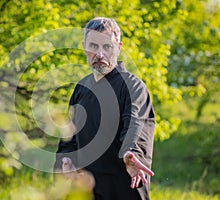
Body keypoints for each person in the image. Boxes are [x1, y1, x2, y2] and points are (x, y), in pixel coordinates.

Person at [54, 17, 155, 200]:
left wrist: (130, 153)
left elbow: (135, 123)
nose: (100, 54)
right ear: (84, 46)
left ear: (118, 47)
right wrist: (66, 159)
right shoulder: (81, 88)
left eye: (107, 47)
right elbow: (69, 135)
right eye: (93, 46)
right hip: (87, 189)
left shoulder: (133, 87)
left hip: (123, 187)